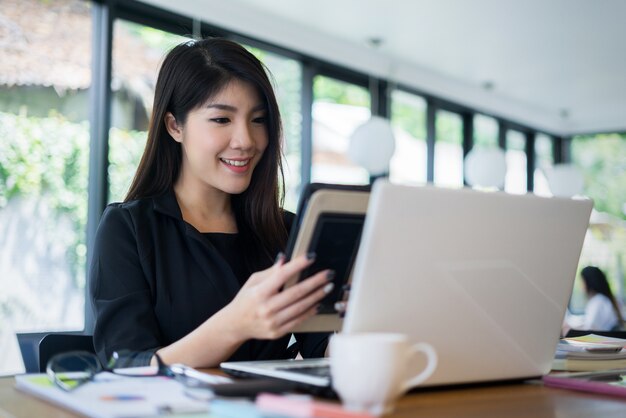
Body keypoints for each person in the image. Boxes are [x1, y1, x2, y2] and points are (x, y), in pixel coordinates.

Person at [89, 38, 334, 368]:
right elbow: (128, 368)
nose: (246, 140)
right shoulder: (129, 229)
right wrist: (234, 324)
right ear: (175, 125)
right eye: (222, 120)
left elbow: (323, 348)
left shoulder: (287, 231)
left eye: (258, 120)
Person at [564, 266, 624, 333]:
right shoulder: (610, 299)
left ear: (588, 282)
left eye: (582, 281)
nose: (581, 285)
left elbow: (590, 329)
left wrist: (567, 328)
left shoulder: (597, 302)